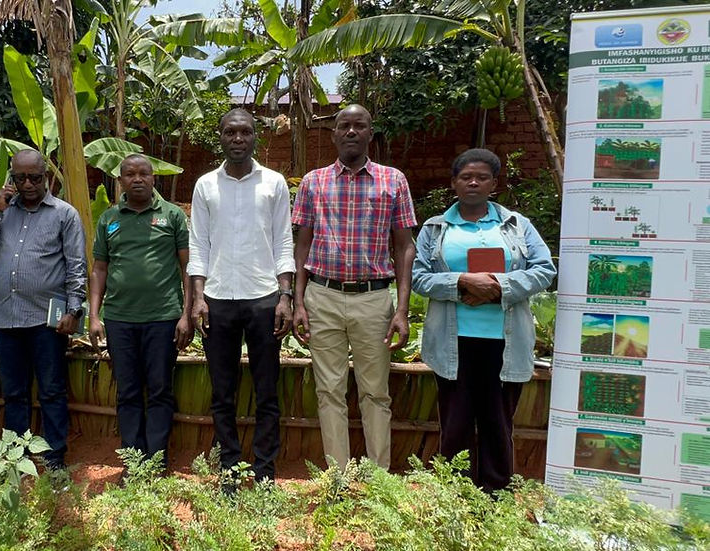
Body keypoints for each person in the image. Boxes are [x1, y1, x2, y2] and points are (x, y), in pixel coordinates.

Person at [411, 148, 556, 491]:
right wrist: (461, 282)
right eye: (466, 177)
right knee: (456, 420)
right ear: (454, 183)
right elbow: (419, 276)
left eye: (482, 177)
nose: (473, 182)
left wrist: (497, 286)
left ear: (494, 183)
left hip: (504, 342)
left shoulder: (517, 226)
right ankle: (455, 493)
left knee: (497, 421)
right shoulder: (435, 229)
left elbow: (544, 269)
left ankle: (495, 493)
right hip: (453, 341)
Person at [292, 104, 416, 470]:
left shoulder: (393, 180)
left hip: (373, 299)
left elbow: (404, 245)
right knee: (328, 390)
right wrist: (299, 302)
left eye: (359, 126)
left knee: (375, 392)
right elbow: (302, 244)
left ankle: (379, 478)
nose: (351, 132)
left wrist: (402, 309)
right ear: (332, 134)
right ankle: (338, 477)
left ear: (370, 134)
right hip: (323, 296)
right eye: (343, 125)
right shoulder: (314, 182)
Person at [188, 108, 294, 483]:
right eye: (230, 132)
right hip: (217, 299)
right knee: (222, 393)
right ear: (220, 136)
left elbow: (284, 241)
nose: (238, 139)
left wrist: (285, 296)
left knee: (267, 392)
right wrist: (198, 298)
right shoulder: (205, 185)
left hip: (264, 297)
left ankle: (265, 470)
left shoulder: (274, 183)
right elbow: (198, 244)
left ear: (255, 137)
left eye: (245, 132)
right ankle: (230, 469)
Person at [0, 149, 86, 470]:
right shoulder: (3, 212)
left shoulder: (64, 214)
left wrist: (74, 310)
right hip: (7, 319)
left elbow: (77, 265)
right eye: (20, 178)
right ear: (12, 179)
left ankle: (53, 457)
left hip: (46, 320)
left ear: (46, 176)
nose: (28, 184)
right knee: (15, 393)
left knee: (51, 391)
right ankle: (16, 457)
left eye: (35, 177)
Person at [88, 153, 193, 466]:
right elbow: (100, 269)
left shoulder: (172, 216)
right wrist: (94, 316)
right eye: (129, 175)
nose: (137, 179)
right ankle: (134, 462)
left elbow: (187, 266)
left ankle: (157, 461)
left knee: (160, 389)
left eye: (143, 174)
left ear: (153, 178)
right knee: (128, 392)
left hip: (163, 317)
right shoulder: (109, 219)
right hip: (120, 318)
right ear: (120, 181)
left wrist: (186, 314)